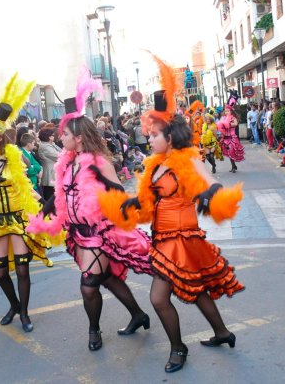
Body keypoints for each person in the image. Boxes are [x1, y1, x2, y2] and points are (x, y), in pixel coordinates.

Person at [101, 70, 244, 373]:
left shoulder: (186, 159)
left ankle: (178, 348)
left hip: (180, 238)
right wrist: (130, 205)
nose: (148, 139)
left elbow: (209, 179)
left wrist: (212, 194)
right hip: (162, 236)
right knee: (195, 289)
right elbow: (149, 202)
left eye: (154, 135)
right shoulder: (155, 164)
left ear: (170, 136)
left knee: (158, 298)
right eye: (148, 134)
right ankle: (222, 333)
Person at [28, 68, 153, 351]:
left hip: (99, 232)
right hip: (78, 233)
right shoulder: (66, 163)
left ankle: (94, 331)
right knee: (106, 278)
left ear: (79, 138)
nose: (61, 138)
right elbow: (60, 194)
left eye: (65, 135)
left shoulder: (98, 163)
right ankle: (138, 314)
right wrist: (44, 212)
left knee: (89, 284)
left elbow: (119, 195)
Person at [0, 73, 54, 333]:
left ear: (0, 136)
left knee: (23, 271)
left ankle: (25, 313)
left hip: (16, 219)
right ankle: (14, 305)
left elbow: (26, 187)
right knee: (1, 272)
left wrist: (46, 205)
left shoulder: (13, 157)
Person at [217, 106, 245, 173]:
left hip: (232, 138)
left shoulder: (233, 118)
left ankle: (233, 167)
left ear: (231, 111)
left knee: (232, 152)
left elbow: (235, 124)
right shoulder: (223, 119)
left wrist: (228, 124)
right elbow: (220, 127)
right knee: (229, 153)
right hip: (225, 138)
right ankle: (233, 166)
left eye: (228, 111)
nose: (226, 112)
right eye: (225, 111)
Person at [37, 127, 62, 202]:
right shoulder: (45, 146)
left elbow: (62, 151)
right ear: (48, 137)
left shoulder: (51, 144)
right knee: (51, 198)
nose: (54, 137)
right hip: (49, 176)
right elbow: (58, 155)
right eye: (52, 135)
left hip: (53, 174)